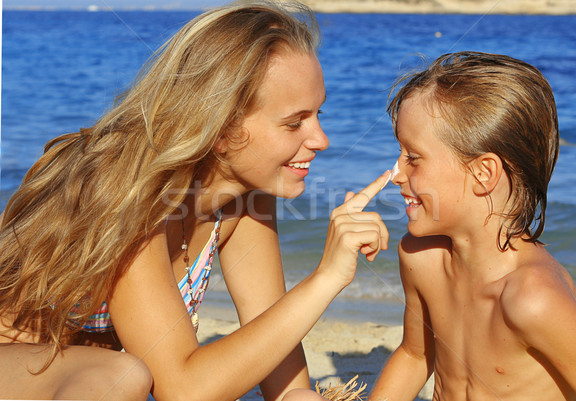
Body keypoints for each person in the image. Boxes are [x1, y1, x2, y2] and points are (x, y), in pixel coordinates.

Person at [0, 2, 391, 400]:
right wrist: (325, 278)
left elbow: (274, 345)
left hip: (81, 380)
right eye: (295, 122)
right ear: (220, 129)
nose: (321, 139)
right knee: (121, 374)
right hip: (21, 367)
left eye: (318, 115)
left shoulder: (244, 197)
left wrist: (299, 395)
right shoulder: (127, 193)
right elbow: (183, 389)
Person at [368, 52, 576, 401]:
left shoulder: (533, 297)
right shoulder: (420, 259)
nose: (396, 174)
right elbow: (415, 356)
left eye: (412, 158)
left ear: (483, 173)